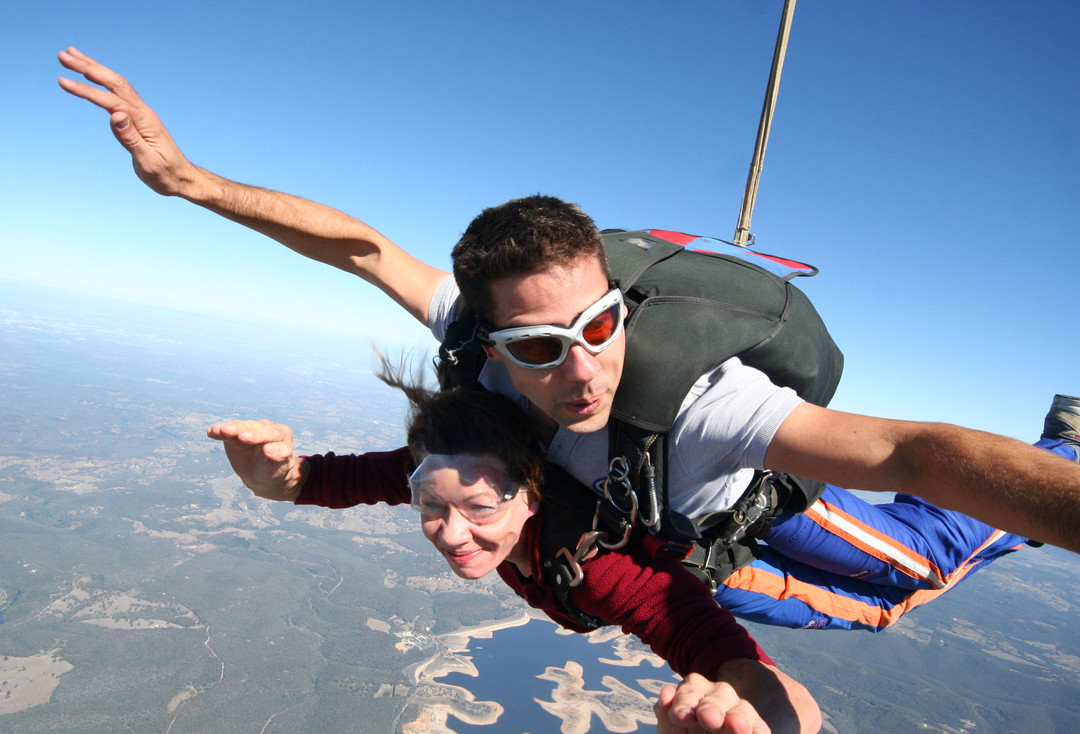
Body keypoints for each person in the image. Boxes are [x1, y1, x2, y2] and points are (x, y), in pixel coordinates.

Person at [58, 49, 1080, 622]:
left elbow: (910, 452)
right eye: (541, 345)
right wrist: (190, 184)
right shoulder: (480, 343)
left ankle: (1065, 443)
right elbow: (368, 250)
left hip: (758, 515)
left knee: (910, 578)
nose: (582, 366)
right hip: (687, 548)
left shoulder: (705, 403)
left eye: (598, 324)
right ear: (493, 344)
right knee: (880, 607)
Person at [206, 382, 822, 734]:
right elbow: (332, 481)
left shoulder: (600, 569)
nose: (452, 533)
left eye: (478, 509)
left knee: (906, 581)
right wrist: (276, 476)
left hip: (769, 554)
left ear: (531, 493)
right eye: (428, 506)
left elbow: (746, 670)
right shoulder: (448, 470)